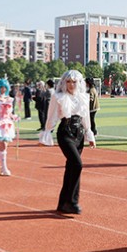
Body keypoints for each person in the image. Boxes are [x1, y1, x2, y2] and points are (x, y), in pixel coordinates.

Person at [42, 70, 95, 214]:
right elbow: (52, 116)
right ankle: (72, 202)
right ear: (64, 82)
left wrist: (89, 134)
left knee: (71, 168)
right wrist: (47, 133)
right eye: (68, 81)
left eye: (74, 82)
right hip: (65, 133)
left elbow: (85, 117)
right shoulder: (58, 97)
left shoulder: (83, 97)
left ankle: (63, 203)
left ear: (79, 83)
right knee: (77, 164)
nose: (71, 84)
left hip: (79, 135)